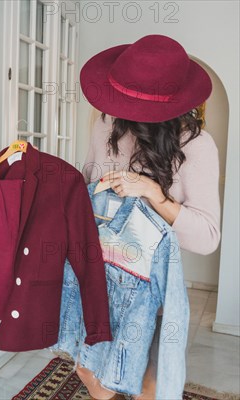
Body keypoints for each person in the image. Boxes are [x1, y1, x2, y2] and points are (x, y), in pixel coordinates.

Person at [76, 34, 221, 399]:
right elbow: (87, 185)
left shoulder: (197, 147)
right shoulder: (105, 125)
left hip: (151, 290)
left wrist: (153, 193)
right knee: (92, 371)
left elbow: (206, 237)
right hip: (97, 275)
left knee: (148, 387)